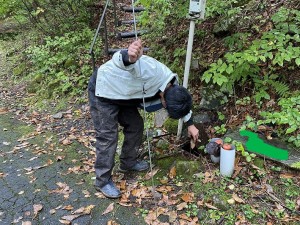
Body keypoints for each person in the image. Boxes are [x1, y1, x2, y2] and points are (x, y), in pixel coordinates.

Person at [88, 39, 199, 198]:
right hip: (104, 89)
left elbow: (182, 102)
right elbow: (120, 61)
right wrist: (129, 56)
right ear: (164, 101)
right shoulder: (149, 70)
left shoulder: (174, 85)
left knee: (136, 125)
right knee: (108, 135)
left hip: (125, 96)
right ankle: (102, 181)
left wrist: (190, 124)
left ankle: (128, 163)